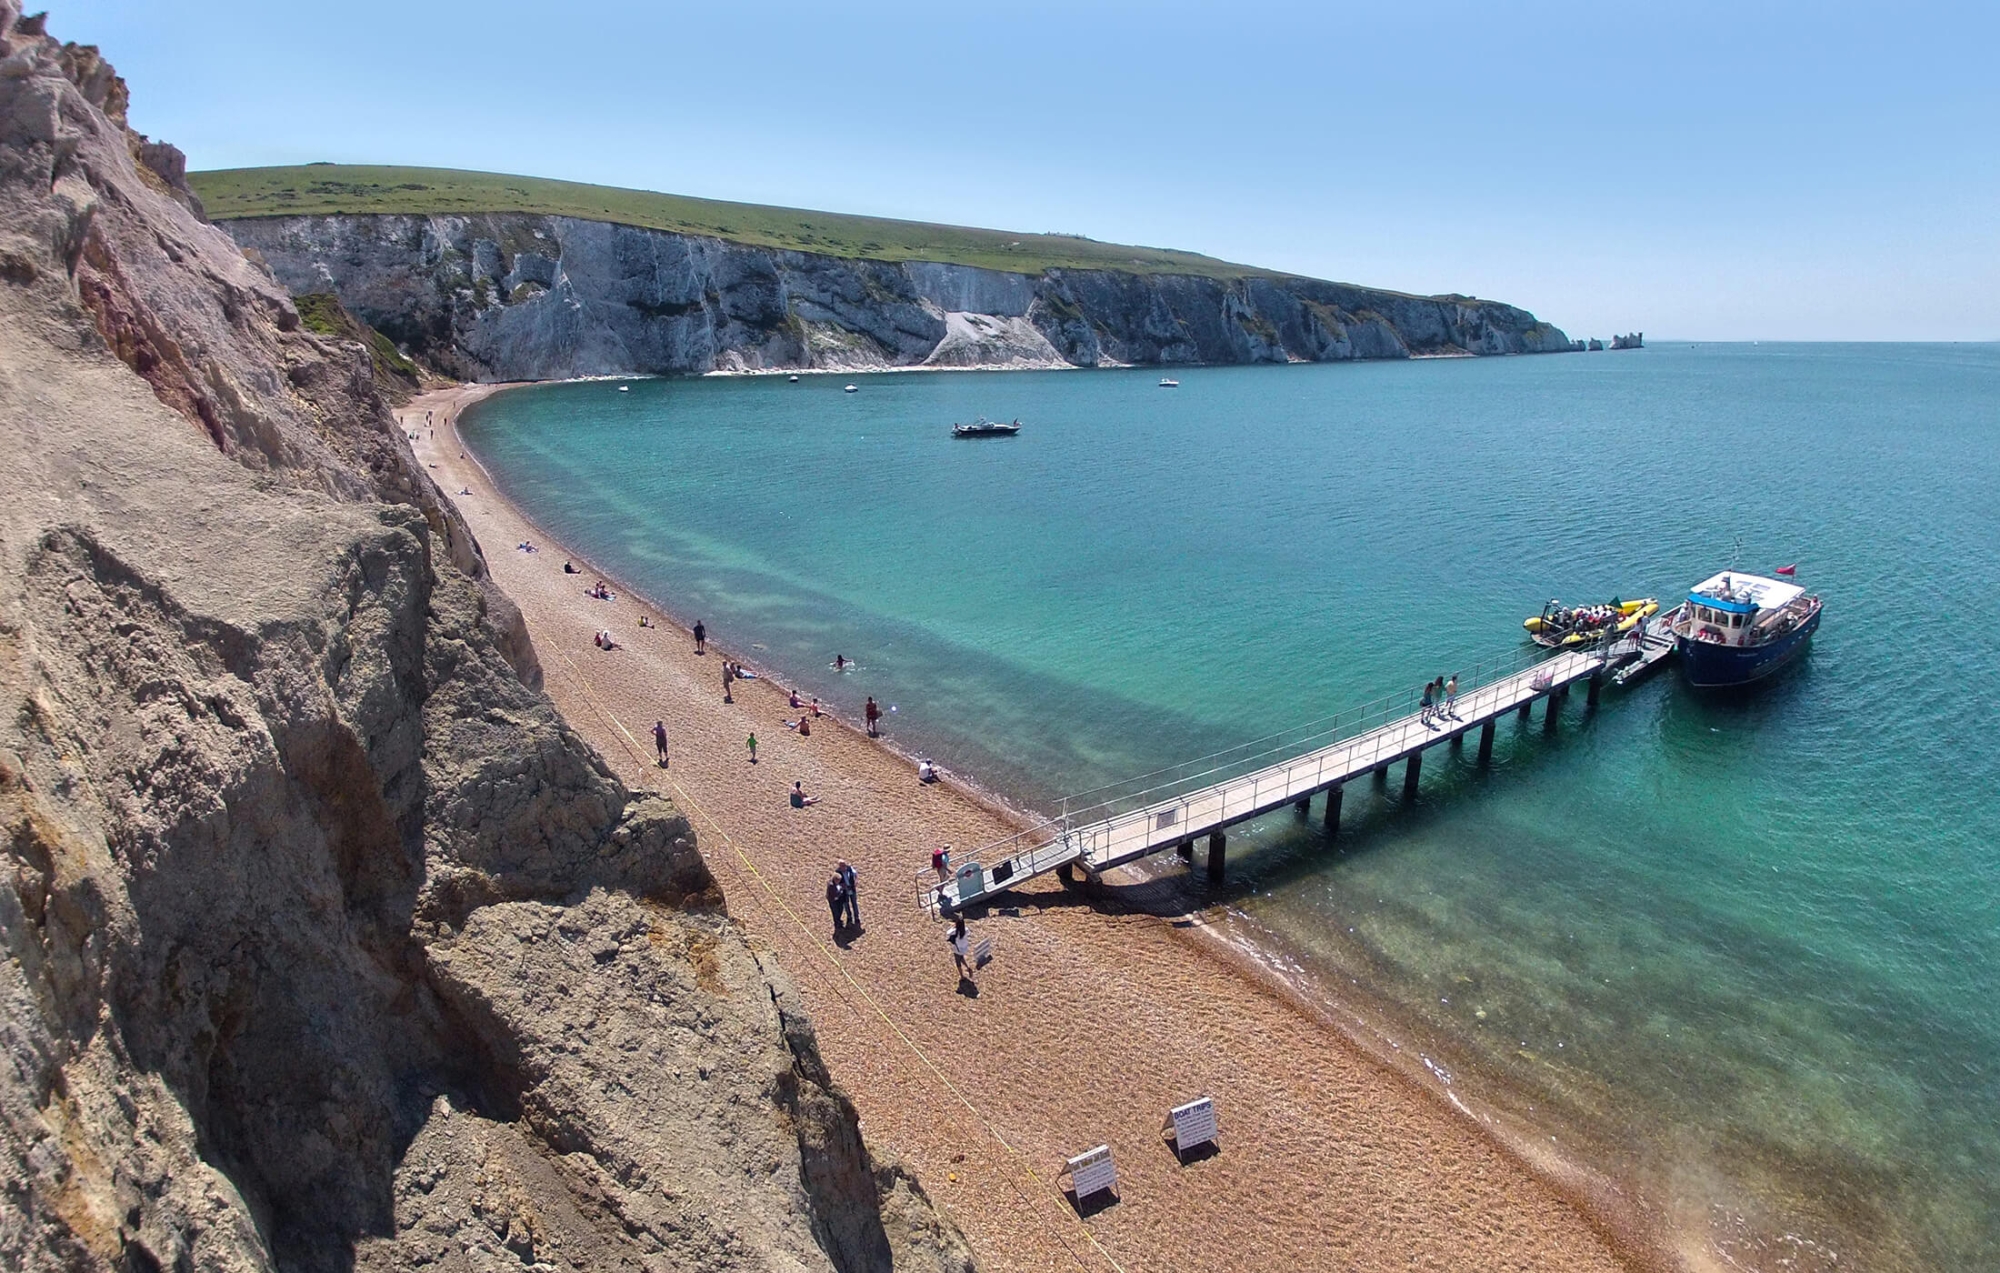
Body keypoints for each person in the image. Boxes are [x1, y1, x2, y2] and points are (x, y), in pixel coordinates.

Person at [948, 916, 973, 982]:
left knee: (958, 963)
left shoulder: (954, 931)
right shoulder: (966, 930)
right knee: (961, 958)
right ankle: (968, 968)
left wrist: (953, 927)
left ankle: (962, 976)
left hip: (957, 949)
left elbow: (948, 932)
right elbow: (969, 932)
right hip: (964, 948)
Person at [837, 860, 860, 928]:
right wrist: (841, 886)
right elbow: (836, 882)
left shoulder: (849, 868)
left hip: (852, 889)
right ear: (840, 866)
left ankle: (856, 917)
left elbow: (855, 874)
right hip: (844, 892)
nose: (844, 867)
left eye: (844, 865)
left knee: (854, 903)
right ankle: (849, 917)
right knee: (846, 904)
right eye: (842, 866)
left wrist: (856, 881)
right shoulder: (837, 872)